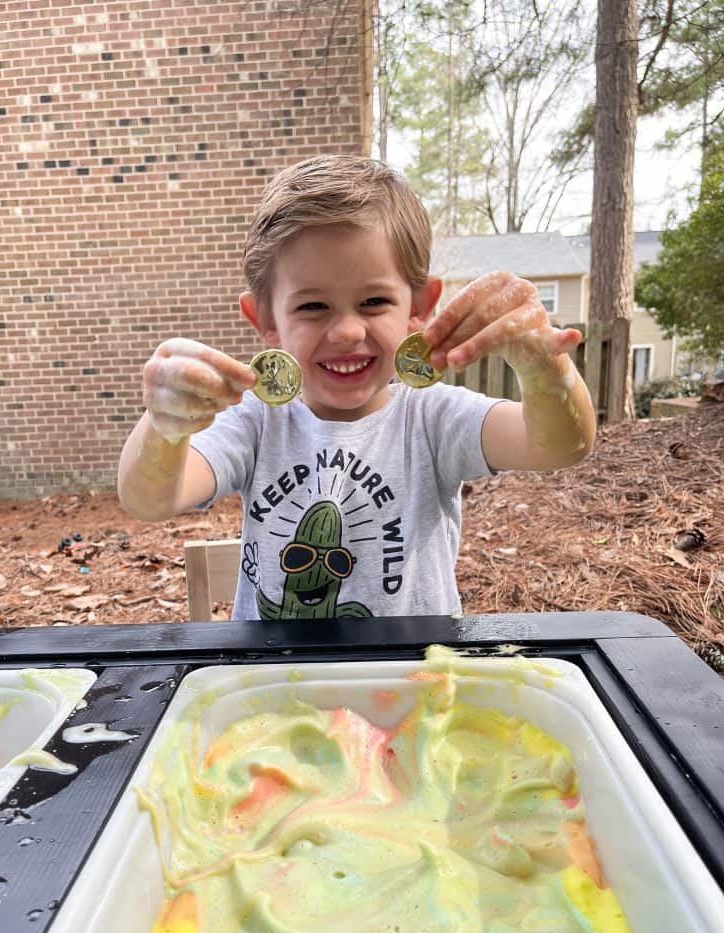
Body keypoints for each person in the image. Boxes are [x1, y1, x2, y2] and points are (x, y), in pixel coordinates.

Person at [118, 155, 596, 621]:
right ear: (266, 320)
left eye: (373, 301)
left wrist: (544, 369)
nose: (347, 331)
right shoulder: (254, 420)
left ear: (419, 306)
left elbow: (558, 444)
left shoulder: (434, 419)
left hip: (409, 681)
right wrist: (165, 424)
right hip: (276, 685)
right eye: (312, 307)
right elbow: (151, 499)